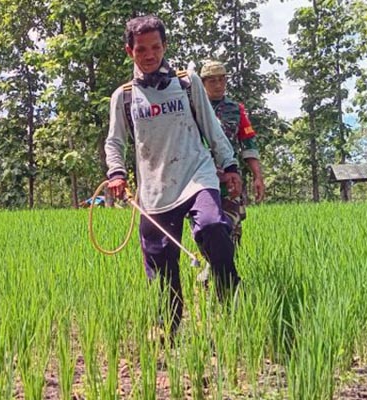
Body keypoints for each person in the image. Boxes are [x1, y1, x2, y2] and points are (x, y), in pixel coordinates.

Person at [104, 15, 242, 334]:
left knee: (212, 227)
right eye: (141, 49)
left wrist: (230, 165)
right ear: (130, 52)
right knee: (161, 264)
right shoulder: (123, 96)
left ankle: (230, 294)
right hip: (155, 190)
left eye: (155, 47)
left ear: (165, 47)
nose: (149, 55)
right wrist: (117, 172)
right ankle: (171, 331)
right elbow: (114, 141)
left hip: (196, 173)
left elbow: (211, 126)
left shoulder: (186, 81)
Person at [199, 60, 265, 254]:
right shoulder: (193, 109)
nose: (218, 85)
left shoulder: (236, 109)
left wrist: (258, 177)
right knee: (205, 229)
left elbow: (248, 144)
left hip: (230, 179)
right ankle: (209, 273)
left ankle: (226, 278)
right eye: (212, 81)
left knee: (231, 229)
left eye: (222, 80)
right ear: (203, 83)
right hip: (202, 178)